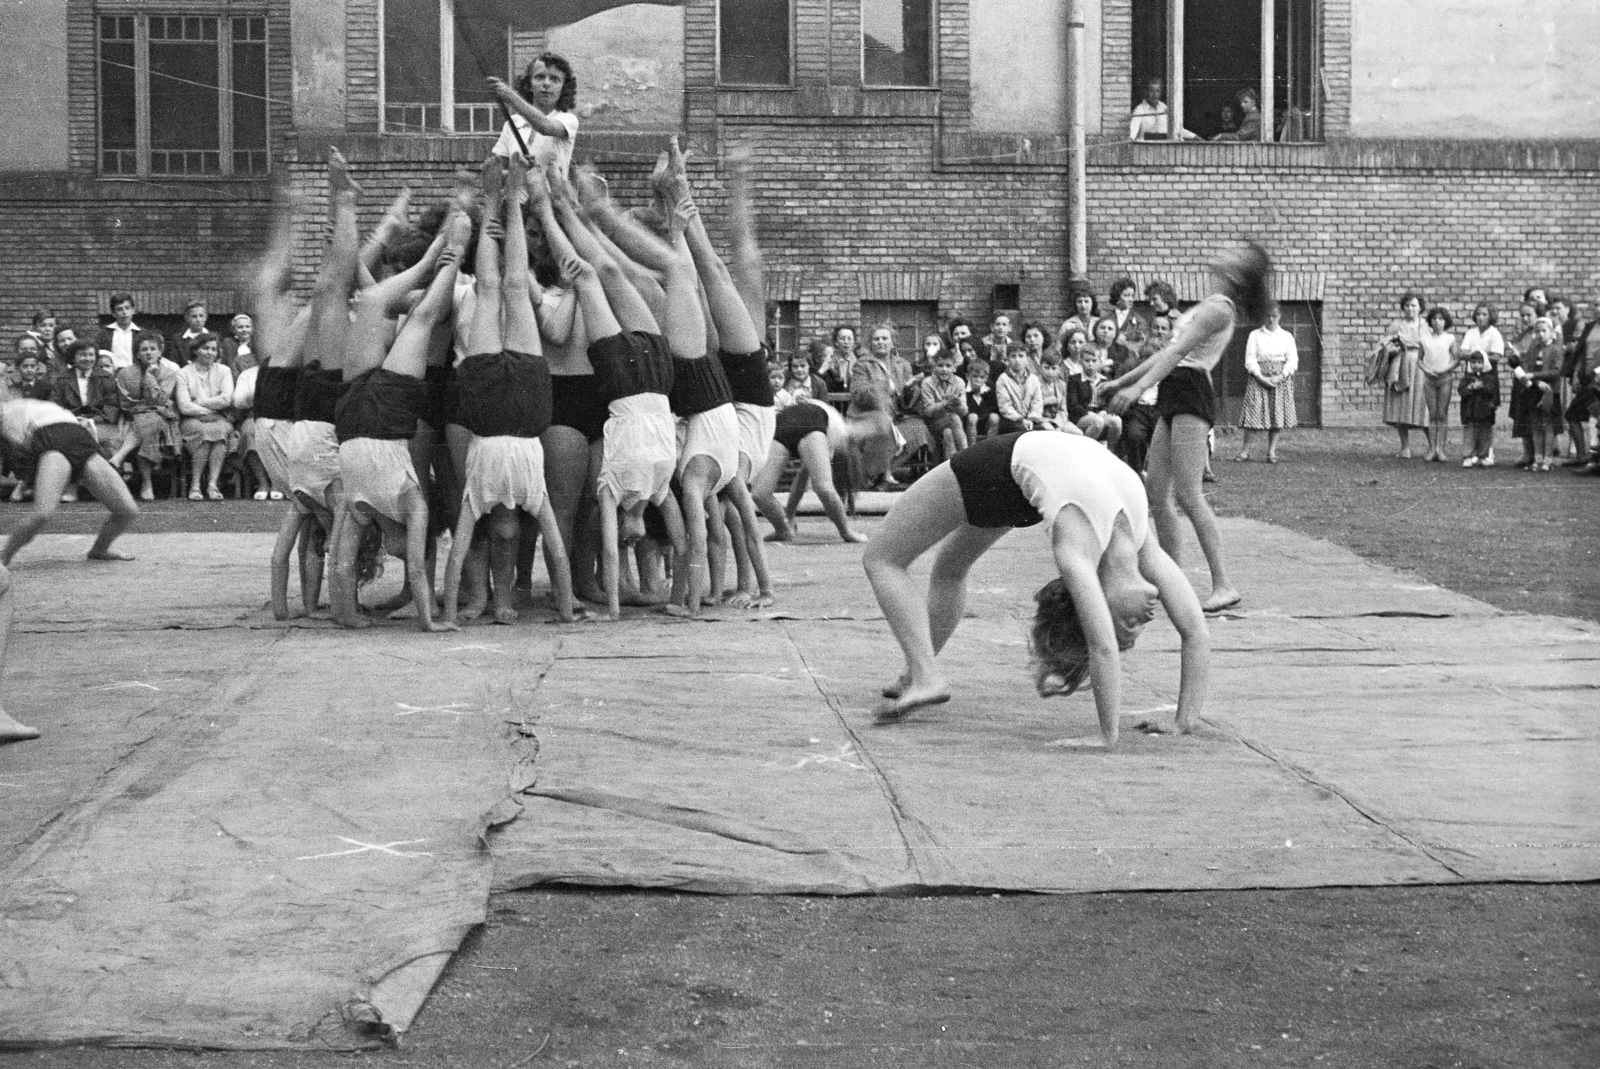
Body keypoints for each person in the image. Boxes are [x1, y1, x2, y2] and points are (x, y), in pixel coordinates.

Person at [861, 430, 1209, 744]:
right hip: (1009, 466)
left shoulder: (1083, 549)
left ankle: (923, 674)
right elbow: (1115, 643)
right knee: (943, 568)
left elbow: (1176, 632)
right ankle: (919, 674)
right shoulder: (1132, 542)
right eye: (1128, 625)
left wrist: (1183, 722)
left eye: (1129, 626)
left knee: (884, 558)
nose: (1144, 622)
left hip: (1015, 472)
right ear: (1098, 600)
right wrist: (1108, 737)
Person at [440, 154, 577, 628]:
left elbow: (457, 550)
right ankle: (512, 202)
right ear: (517, 532)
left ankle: (496, 199)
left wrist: (449, 616)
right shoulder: (533, 496)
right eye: (509, 539)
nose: (504, 535)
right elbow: (555, 551)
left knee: (491, 288)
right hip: (526, 403)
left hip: (485, 403)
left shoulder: (477, 500)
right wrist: (566, 609)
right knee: (512, 287)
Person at [1102, 242, 1272, 614]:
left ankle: (1223, 584)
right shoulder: (1210, 303)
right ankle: (1171, 578)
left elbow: (1178, 355)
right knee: (1156, 492)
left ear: (1238, 274)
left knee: (1188, 494)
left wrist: (1135, 389)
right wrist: (1122, 382)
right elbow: (1166, 354)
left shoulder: (1218, 309)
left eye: (1235, 256)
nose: (1224, 252)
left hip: (1191, 392)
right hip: (1175, 389)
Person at [0, 393, 139, 564]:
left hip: (80, 438)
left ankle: (99, 550)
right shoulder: (8, 424)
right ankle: (3, 558)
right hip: (52, 443)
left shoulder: (20, 404)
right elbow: (20, 453)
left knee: (127, 510)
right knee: (42, 513)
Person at [750, 393, 895, 545]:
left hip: (789, 417)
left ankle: (786, 528)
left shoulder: (838, 432)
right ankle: (787, 529)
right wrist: (789, 515)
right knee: (761, 493)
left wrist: (790, 514)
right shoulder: (842, 432)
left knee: (763, 493)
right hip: (798, 417)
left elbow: (801, 482)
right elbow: (801, 483)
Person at [110, 331, 179, 500]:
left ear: (160, 352)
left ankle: (121, 457)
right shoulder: (125, 373)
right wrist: (145, 407)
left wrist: (149, 377)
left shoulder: (168, 373)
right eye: (144, 349)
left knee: (150, 420)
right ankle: (146, 484)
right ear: (137, 354)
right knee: (146, 422)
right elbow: (125, 401)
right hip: (132, 417)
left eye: (153, 349)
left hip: (163, 420)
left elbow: (160, 400)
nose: (149, 352)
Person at [486, 53, 579, 175]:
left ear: (563, 88)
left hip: (554, 194)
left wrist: (509, 95)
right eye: (539, 77)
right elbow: (495, 172)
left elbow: (545, 127)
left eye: (554, 79)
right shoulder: (512, 123)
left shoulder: (568, 120)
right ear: (529, 84)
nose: (546, 83)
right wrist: (518, 170)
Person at [174, 331, 235, 500]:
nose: (210, 352)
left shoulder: (224, 371)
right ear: (195, 350)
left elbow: (226, 399)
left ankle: (212, 484)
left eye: (213, 349)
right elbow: (184, 406)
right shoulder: (184, 373)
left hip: (219, 418)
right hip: (192, 420)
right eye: (205, 348)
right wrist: (209, 409)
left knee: (221, 431)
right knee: (202, 432)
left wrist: (199, 401)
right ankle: (194, 485)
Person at [1234, 305, 1298, 463]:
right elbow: (1250, 360)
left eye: (1274, 316)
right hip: (1259, 377)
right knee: (1252, 413)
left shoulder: (1286, 336)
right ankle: (1245, 451)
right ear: (1263, 317)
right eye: (1267, 316)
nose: (1271, 319)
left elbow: (1293, 360)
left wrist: (1281, 376)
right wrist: (1261, 377)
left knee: (1277, 414)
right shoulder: (1255, 335)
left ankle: (1271, 452)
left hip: (1280, 379)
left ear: (1279, 316)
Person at [1376, 292, 1429, 458]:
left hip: (1420, 366)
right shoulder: (1396, 324)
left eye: (1414, 305)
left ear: (1420, 307)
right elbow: (1384, 344)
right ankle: (1405, 447)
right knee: (1401, 404)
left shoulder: (1426, 324)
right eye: (1407, 305)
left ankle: (1433, 446)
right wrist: (1392, 348)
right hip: (1400, 366)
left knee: (1423, 405)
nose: (1410, 309)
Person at [1510, 316, 1564, 472]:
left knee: (1548, 425)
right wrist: (1535, 382)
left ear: (1552, 332)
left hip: (1549, 391)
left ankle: (1548, 458)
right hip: (1534, 390)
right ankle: (1537, 458)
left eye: (1544, 331)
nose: (1540, 334)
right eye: (1538, 331)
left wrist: (1535, 376)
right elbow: (1527, 368)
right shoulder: (1533, 349)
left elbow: (1556, 371)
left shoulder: (1556, 349)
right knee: (1535, 425)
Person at [1418, 306, 1461, 462]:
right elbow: (1419, 360)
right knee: (1432, 414)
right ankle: (1431, 449)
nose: (1437, 322)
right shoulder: (1424, 338)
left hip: (1445, 380)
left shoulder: (1449, 338)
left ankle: (1440, 449)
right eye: (1434, 319)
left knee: (1442, 414)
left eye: (1441, 319)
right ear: (1430, 321)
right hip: (1429, 380)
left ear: (1445, 321)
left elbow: (1456, 359)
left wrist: (1445, 369)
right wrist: (1427, 370)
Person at [917, 348, 968, 458]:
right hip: (933, 424)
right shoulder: (927, 383)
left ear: (954, 367)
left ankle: (952, 468)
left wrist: (958, 403)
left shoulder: (959, 382)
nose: (944, 369)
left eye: (948, 366)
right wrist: (944, 404)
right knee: (953, 418)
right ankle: (967, 456)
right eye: (940, 365)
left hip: (955, 426)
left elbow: (964, 412)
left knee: (948, 433)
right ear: (934, 366)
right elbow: (928, 412)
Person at [1458, 349, 1500, 467]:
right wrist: (1471, 387)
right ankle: (1468, 456)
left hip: (1485, 411)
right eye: (1473, 362)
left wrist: (1481, 387)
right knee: (1470, 434)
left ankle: (1483, 455)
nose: (1476, 365)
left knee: (1484, 434)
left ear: (1484, 363)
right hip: (1470, 411)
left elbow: (1492, 390)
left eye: (1479, 362)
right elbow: (1461, 391)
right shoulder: (1466, 378)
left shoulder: (1490, 377)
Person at [995, 348, 1043, 433]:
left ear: (1027, 359)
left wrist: (1031, 419)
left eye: (1021, 356)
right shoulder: (1003, 379)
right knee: (1022, 431)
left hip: (1030, 419)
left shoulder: (1034, 379)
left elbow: (1037, 402)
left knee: (1043, 432)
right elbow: (1005, 406)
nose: (1017, 360)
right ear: (1008, 359)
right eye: (1013, 356)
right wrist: (1021, 420)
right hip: (1011, 420)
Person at [93, 293, 142, 370]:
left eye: (127, 308)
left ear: (133, 310)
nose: (124, 312)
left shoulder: (141, 334)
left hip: (134, 375)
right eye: (119, 309)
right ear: (113, 314)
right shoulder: (104, 334)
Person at [963, 358, 998, 443]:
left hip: (985, 422)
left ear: (986, 378)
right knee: (972, 417)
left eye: (981, 377)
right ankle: (971, 450)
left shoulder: (990, 389)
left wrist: (979, 393)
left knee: (994, 417)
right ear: (968, 376)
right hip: (968, 423)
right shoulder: (964, 389)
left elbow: (993, 408)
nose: (978, 380)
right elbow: (964, 412)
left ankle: (989, 447)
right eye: (975, 376)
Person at [169, 301, 210, 367]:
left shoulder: (214, 338)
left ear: (205, 317)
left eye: (201, 316)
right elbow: (174, 365)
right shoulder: (178, 340)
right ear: (187, 318)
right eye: (194, 316)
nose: (198, 319)